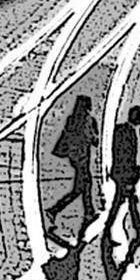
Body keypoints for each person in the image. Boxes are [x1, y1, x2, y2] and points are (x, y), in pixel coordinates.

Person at [46, 94, 99, 231]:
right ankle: (55, 210)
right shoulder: (88, 120)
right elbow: (93, 139)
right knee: (81, 187)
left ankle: (89, 211)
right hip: (82, 157)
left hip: (74, 157)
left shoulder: (72, 119)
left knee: (84, 185)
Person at [108, 104, 140, 239]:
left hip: (120, 171)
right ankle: (108, 229)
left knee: (130, 200)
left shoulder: (121, 130)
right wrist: (131, 176)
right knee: (118, 203)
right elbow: (126, 157)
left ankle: (138, 227)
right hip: (124, 173)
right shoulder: (128, 133)